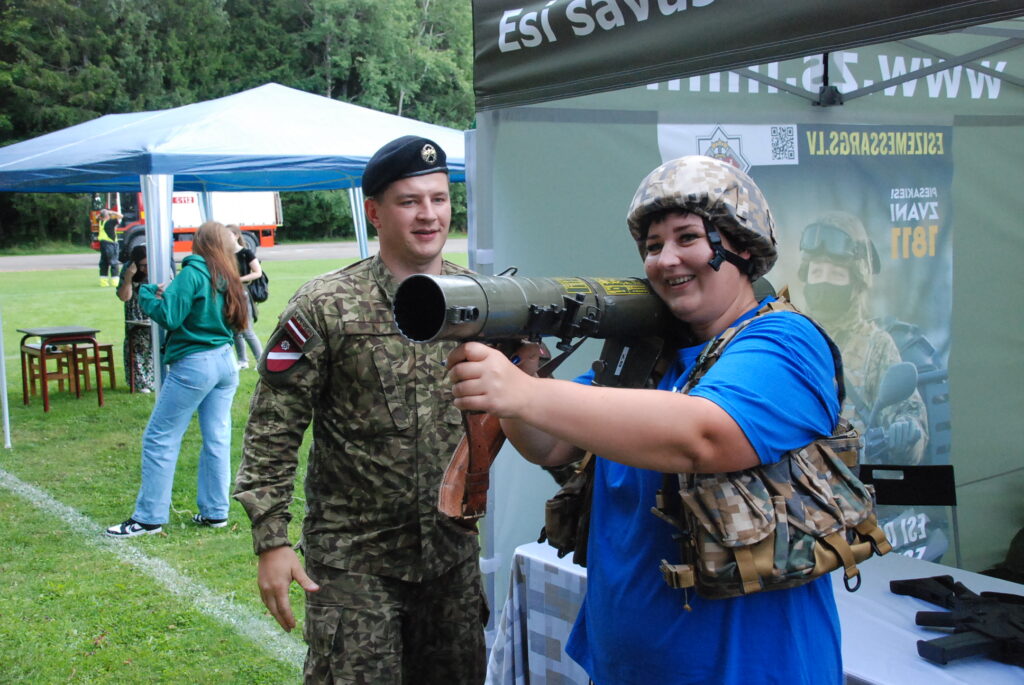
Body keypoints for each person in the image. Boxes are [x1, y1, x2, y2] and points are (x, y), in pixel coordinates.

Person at [447, 156, 845, 684]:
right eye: (653, 246)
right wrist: (519, 376)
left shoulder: (786, 342)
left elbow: (704, 435)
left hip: (748, 670)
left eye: (687, 238)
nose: (666, 260)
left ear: (741, 246)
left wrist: (524, 394)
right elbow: (549, 445)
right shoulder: (645, 357)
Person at [234, 136, 485, 684]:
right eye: (409, 201)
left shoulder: (477, 300)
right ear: (374, 211)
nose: (429, 215)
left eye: (439, 199)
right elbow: (273, 429)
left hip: (451, 558)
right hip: (356, 565)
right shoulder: (326, 305)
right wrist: (271, 540)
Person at [106, 221, 247, 538]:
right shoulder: (226, 274)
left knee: (160, 437)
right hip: (225, 361)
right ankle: (215, 512)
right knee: (217, 438)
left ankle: (148, 518)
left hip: (195, 364)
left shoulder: (193, 274)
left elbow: (169, 316)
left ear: (199, 243)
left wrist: (145, 294)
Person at [797, 211, 928, 465]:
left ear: (855, 283)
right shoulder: (789, 337)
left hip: (852, 491)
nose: (824, 282)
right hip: (789, 489)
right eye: (817, 272)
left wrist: (906, 433)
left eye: (836, 275)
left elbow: (911, 424)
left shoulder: (875, 345)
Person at [115, 244, 155, 393]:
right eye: (142, 265)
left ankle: (156, 378)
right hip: (135, 314)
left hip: (152, 310)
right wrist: (128, 278)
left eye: (147, 264)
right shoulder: (128, 269)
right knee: (137, 344)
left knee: (155, 345)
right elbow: (124, 297)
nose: (146, 269)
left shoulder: (157, 266)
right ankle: (141, 382)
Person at [226, 224, 265, 370]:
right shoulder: (225, 254)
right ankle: (242, 361)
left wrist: (238, 279)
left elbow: (257, 272)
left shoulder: (246, 253)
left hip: (242, 293)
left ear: (236, 236)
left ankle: (260, 360)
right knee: (235, 330)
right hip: (229, 294)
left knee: (247, 329)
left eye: (228, 235)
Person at [97, 208, 122, 287]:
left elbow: (99, 216)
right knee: (114, 263)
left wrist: (106, 213)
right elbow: (121, 216)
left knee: (104, 263)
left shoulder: (101, 222)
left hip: (103, 244)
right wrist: (112, 212)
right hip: (110, 244)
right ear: (107, 216)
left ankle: (103, 282)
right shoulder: (110, 222)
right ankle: (115, 282)